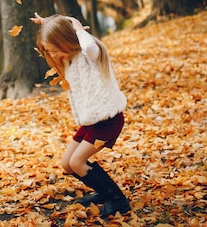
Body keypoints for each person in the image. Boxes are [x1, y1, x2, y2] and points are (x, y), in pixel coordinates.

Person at [30, 13, 131, 219]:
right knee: (67, 164)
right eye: (50, 51)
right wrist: (50, 23)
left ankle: (119, 201)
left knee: (77, 162)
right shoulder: (70, 58)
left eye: (55, 49)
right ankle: (103, 192)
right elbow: (58, 36)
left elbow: (89, 47)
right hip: (91, 122)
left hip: (107, 121)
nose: (55, 55)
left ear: (67, 40)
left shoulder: (91, 54)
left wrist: (75, 26)